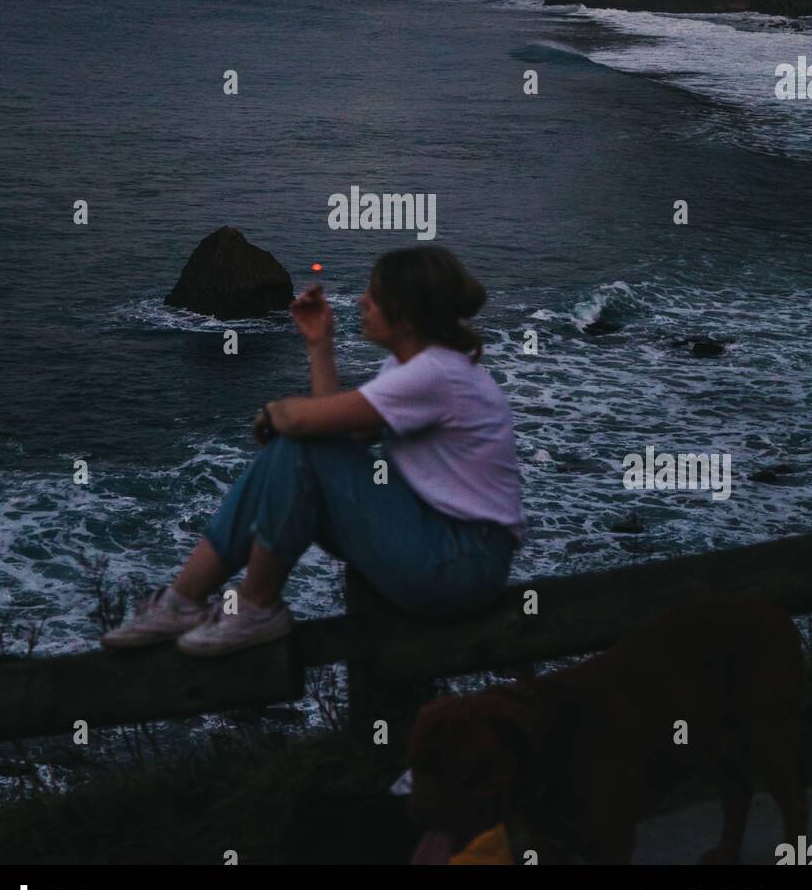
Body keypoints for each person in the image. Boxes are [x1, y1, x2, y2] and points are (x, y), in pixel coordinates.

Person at [102, 245, 524, 657]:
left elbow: (305, 424)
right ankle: (187, 602)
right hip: (441, 551)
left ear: (408, 314)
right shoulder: (416, 369)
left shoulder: (435, 374)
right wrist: (320, 344)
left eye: (374, 295)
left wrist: (274, 413)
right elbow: (339, 440)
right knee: (296, 451)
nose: (362, 301)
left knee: (293, 449)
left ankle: (248, 606)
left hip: (460, 563)